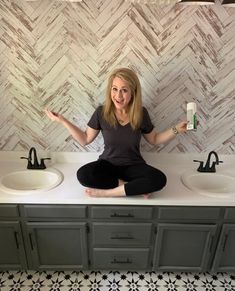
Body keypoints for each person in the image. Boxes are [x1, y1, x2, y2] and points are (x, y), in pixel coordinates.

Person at [45, 67, 187, 198]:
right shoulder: (101, 112)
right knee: (84, 175)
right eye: (115, 89)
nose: (118, 95)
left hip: (134, 166)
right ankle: (128, 187)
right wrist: (63, 120)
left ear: (133, 92)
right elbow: (85, 139)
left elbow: (154, 139)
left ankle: (108, 193)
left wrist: (177, 129)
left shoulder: (141, 113)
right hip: (108, 165)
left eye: (124, 90)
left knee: (159, 179)